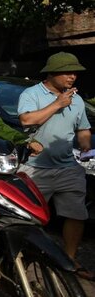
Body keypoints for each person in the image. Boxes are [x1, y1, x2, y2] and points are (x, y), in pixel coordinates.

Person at [17, 52, 93, 280]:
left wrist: (87, 147)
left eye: (75, 73)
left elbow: (83, 128)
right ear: (51, 73)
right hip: (34, 168)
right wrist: (58, 104)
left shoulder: (77, 99)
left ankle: (69, 260)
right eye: (67, 72)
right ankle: (21, 260)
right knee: (26, 217)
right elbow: (27, 120)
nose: (73, 77)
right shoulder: (31, 94)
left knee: (77, 214)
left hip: (68, 167)